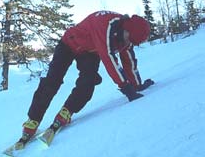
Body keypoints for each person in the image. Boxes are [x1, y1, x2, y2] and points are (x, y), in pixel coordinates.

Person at [19, 10, 154, 143]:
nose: (128, 42)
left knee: (88, 82)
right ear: (127, 28)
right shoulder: (107, 26)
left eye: (131, 41)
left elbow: (129, 61)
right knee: (52, 81)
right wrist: (126, 87)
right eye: (128, 38)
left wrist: (136, 85)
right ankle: (33, 119)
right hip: (69, 43)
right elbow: (109, 59)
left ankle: (68, 110)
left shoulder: (127, 37)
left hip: (89, 51)